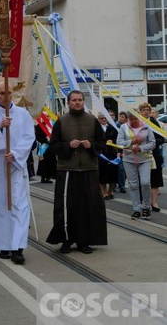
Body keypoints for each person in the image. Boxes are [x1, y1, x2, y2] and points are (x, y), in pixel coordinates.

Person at [0, 82, 35, 264]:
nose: (6, 96)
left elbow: (29, 137)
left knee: (19, 205)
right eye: (2, 93)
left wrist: (16, 154)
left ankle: (18, 247)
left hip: (16, 166)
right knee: (1, 205)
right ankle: (4, 244)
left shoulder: (23, 114)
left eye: (9, 92)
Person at [46, 90, 107, 255]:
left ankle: (84, 241)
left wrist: (91, 146)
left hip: (89, 168)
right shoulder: (61, 121)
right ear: (68, 103)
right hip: (67, 169)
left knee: (88, 207)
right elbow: (52, 146)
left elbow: (102, 143)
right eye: (74, 100)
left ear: (83, 102)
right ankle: (66, 240)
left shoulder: (92, 120)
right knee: (66, 207)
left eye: (80, 100)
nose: (77, 102)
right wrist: (67, 146)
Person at [117, 111, 155, 220]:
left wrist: (141, 148)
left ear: (139, 118)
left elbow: (152, 143)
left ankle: (146, 207)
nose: (133, 121)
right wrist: (132, 142)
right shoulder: (124, 127)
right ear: (128, 119)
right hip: (129, 159)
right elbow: (119, 142)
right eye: (131, 119)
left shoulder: (146, 127)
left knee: (145, 183)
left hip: (145, 159)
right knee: (133, 185)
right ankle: (136, 209)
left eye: (135, 118)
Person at [97, 113, 118, 200]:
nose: (104, 120)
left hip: (111, 153)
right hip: (101, 154)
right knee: (103, 174)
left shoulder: (112, 128)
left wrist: (112, 141)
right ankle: (104, 192)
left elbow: (118, 138)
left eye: (105, 118)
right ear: (99, 119)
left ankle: (111, 191)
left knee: (113, 173)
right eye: (102, 118)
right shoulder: (97, 129)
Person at [116, 111, 128, 193]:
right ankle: (121, 186)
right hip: (119, 150)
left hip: (127, 149)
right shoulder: (116, 125)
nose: (120, 118)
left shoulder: (127, 126)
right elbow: (118, 140)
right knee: (121, 169)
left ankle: (122, 183)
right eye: (120, 116)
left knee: (124, 169)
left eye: (122, 117)